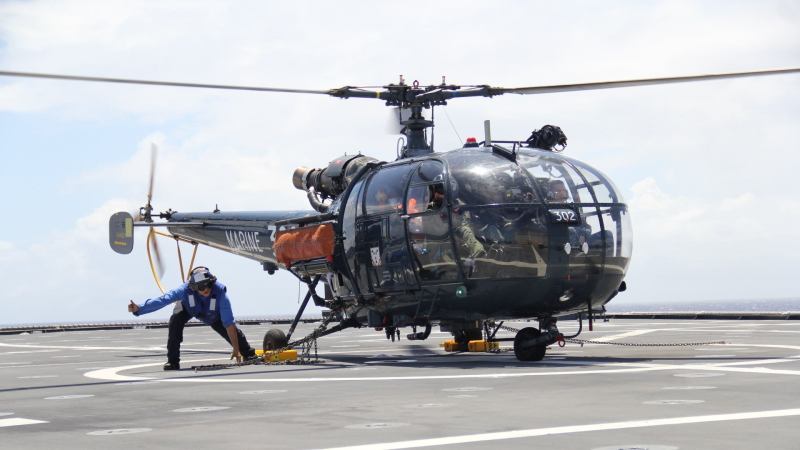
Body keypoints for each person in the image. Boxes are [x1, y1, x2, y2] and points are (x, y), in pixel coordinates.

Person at [127, 266, 257, 370]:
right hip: (188, 308)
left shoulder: (220, 293)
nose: (206, 290)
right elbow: (163, 300)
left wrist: (235, 349)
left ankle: (248, 353)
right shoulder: (184, 290)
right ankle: (172, 362)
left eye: (208, 285)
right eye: (201, 287)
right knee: (175, 323)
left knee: (228, 329)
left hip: (212, 315)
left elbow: (229, 323)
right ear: (194, 287)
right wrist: (140, 308)